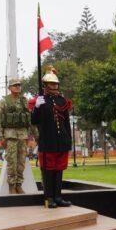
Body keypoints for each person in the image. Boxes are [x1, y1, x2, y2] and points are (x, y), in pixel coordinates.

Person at [31, 68, 72, 208]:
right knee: (48, 171)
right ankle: (49, 198)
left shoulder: (62, 101)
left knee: (59, 170)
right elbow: (34, 121)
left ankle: (58, 197)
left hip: (61, 141)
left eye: (55, 84)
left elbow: (66, 123)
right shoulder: (40, 101)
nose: (54, 87)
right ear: (45, 86)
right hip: (48, 142)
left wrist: (69, 141)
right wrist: (36, 108)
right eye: (51, 84)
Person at [0, 78, 32, 194]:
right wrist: (1, 136)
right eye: (14, 85)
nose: (17, 87)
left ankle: (18, 184)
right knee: (12, 161)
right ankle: (12, 185)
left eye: (19, 85)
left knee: (21, 161)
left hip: (23, 135)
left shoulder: (24, 101)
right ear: (9, 88)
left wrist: (31, 135)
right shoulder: (4, 102)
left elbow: (29, 118)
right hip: (10, 135)